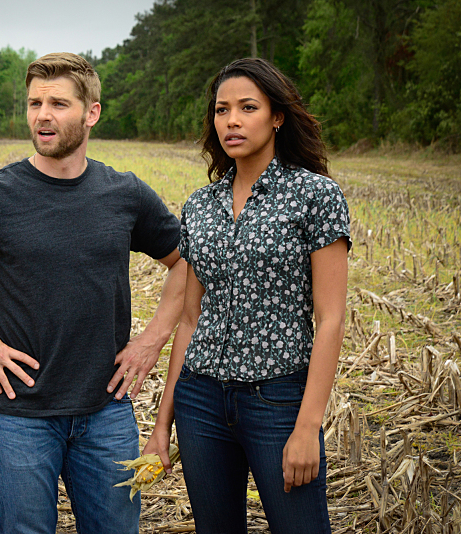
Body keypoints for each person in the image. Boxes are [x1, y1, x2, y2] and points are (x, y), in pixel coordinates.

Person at [0, 52, 186, 534]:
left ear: (92, 113)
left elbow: (185, 264)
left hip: (107, 413)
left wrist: (153, 338)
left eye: (58, 103)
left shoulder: (124, 193)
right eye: (34, 103)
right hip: (20, 416)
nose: (43, 114)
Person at [143, 57, 350, 533]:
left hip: (278, 400)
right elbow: (191, 318)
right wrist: (162, 424)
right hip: (200, 402)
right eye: (221, 110)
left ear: (277, 116)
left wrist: (306, 428)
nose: (231, 121)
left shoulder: (314, 196)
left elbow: (331, 320)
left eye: (247, 107)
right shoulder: (201, 204)